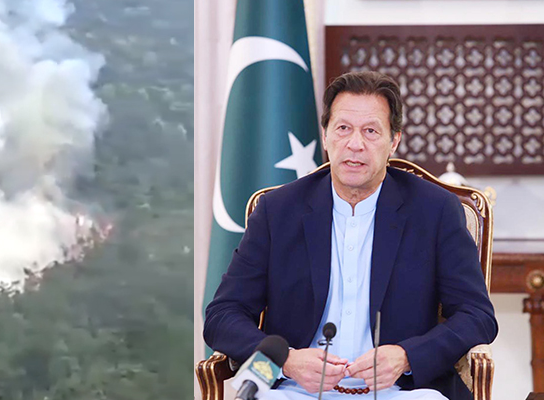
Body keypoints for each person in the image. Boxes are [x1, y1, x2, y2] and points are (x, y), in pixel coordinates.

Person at [203, 71, 498, 400]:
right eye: (343, 128)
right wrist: (288, 361)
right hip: (295, 389)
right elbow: (221, 315)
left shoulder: (434, 210)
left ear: (394, 141)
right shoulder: (277, 211)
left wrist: (406, 356)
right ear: (326, 135)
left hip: (402, 390)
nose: (355, 144)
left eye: (371, 131)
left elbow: (477, 315)